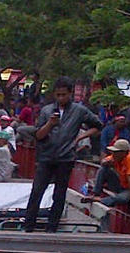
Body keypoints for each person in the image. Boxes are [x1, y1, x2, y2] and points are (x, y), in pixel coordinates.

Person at [23, 77, 101, 233]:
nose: (61, 98)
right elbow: (38, 135)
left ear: (70, 94)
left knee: (59, 194)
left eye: (64, 95)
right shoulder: (46, 110)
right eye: (58, 95)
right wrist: (50, 124)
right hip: (46, 156)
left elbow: (98, 126)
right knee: (37, 191)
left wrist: (81, 137)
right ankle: (28, 226)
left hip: (65, 158)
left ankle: (52, 228)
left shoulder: (80, 111)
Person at [84, 138, 130, 207]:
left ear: (123, 152)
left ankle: (100, 200)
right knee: (103, 169)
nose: (113, 154)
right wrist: (106, 163)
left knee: (122, 198)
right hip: (120, 184)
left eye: (116, 152)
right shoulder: (115, 156)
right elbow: (103, 162)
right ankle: (95, 193)